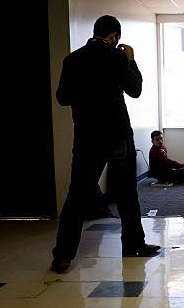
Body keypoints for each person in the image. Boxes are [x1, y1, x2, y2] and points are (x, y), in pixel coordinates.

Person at [51, 15, 160, 273]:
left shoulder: (73, 59)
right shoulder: (117, 57)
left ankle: (62, 256)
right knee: (126, 195)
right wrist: (131, 60)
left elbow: (62, 98)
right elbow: (135, 89)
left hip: (87, 136)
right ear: (114, 37)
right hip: (117, 134)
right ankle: (133, 245)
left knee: (77, 195)